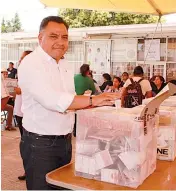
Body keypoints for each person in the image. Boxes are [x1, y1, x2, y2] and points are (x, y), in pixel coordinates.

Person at [18, 16, 119, 190]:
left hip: (64, 141)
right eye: (53, 36)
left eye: (64, 37)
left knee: (61, 186)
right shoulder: (31, 63)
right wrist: (93, 99)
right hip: (40, 144)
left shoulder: (65, 63)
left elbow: (69, 99)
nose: (60, 42)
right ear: (40, 37)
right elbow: (53, 100)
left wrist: (98, 104)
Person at [13, 50, 32, 181]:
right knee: (24, 144)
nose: (20, 61)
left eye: (23, 59)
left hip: (28, 112)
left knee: (29, 143)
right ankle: (28, 169)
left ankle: (30, 171)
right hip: (19, 111)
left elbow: (36, 92)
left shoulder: (34, 74)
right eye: (20, 59)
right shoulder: (20, 74)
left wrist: (22, 91)